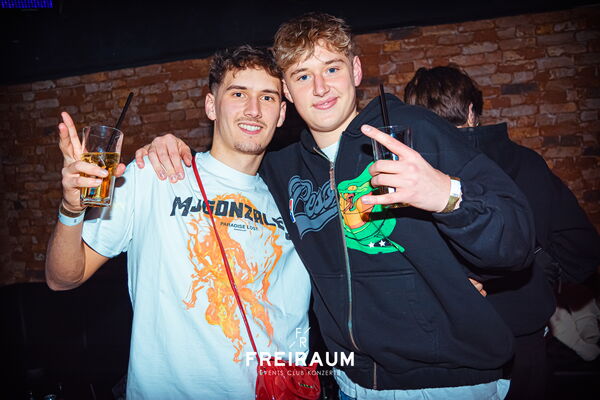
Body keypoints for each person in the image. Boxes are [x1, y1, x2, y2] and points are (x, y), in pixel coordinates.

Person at [137, 13, 536, 399]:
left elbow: (516, 243)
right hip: (351, 383)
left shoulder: (415, 132)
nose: (320, 88)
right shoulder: (281, 169)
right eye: (302, 76)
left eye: (331, 68)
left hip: (448, 383)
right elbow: (228, 169)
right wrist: (165, 146)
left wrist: (446, 196)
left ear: (356, 70)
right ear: (287, 93)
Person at [45, 45, 312, 399]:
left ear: (281, 114)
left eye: (267, 97)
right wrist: (71, 208)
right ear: (210, 106)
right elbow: (63, 278)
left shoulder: (295, 200)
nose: (253, 109)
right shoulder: (155, 175)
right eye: (238, 93)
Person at [403, 65, 600, 399]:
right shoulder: (526, 162)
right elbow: (581, 249)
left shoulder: (408, 178)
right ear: (471, 111)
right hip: (522, 336)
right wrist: (536, 267)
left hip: (444, 345)